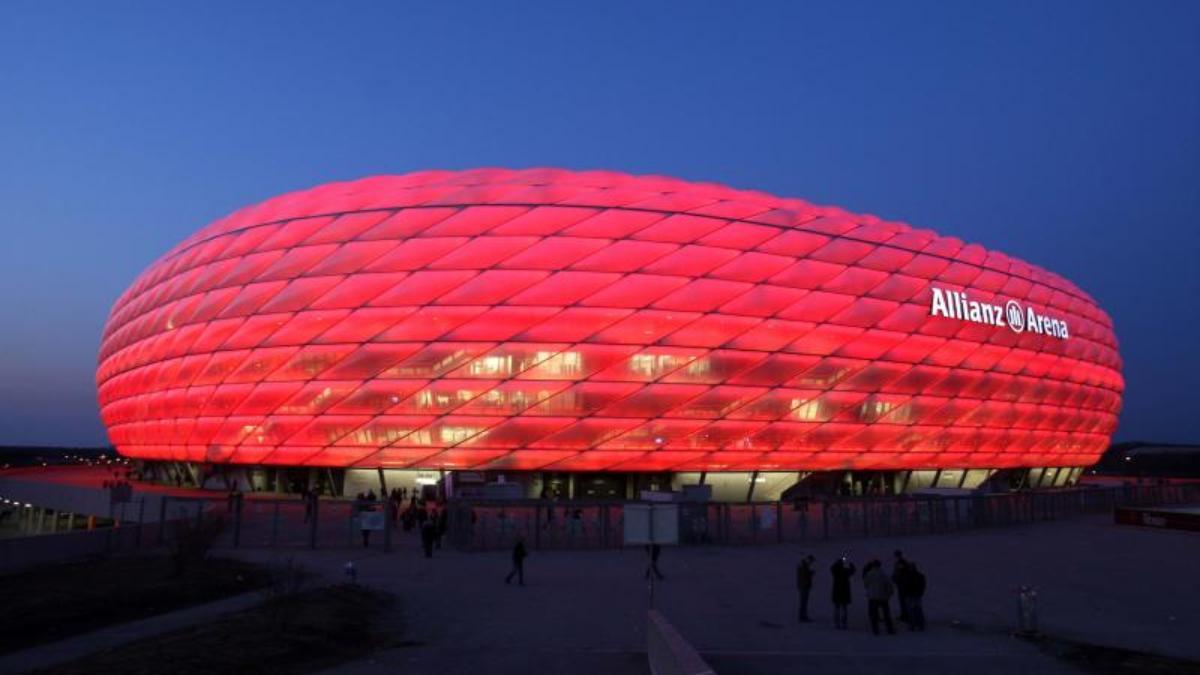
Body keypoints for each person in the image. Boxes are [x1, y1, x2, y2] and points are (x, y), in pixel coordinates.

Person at [863, 560, 896, 635]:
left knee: (873, 614)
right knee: (886, 614)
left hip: (873, 597)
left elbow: (865, 584)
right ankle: (889, 629)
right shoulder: (883, 574)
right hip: (883, 597)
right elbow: (889, 585)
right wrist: (889, 594)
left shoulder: (869, 574)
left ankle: (875, 629)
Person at [830, 555, 856, 629]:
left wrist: (837, 562)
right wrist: (850, 564)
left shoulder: (835, 571)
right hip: (845, 591)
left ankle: (837, 623)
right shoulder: (845, 571)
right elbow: (853, 570)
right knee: (844, 608)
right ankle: (844, 623)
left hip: (837, 591)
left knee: (837, 608)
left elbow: (832, 568)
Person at [905, 563, 927, 631]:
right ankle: (920, 625)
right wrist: (921, 592)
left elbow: (905, 585)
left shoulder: (907, 576)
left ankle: (912, 625)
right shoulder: (920, 575)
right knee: (918, 610)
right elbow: (923, 585)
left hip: (910, 595)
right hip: (917, 595)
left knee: (911, 611)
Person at [892, 550, 910, 623]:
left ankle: (905, 615)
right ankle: (905, 614)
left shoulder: (901, 563)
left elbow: (900, 573)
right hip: (902, 583)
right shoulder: (902, 562)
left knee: (903, 600)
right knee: (903, 600)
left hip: (902, 584)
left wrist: (895, 578)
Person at [796, 555, 815, 622]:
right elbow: (805, 576)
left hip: (803, 585)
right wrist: (811, 574)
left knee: (803, 602)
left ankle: (802, 616)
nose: (811, 563)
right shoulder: (804, 566)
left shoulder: (802, 566)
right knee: (803, 602)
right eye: (811, 561)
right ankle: (802, 616)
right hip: (804, 586)